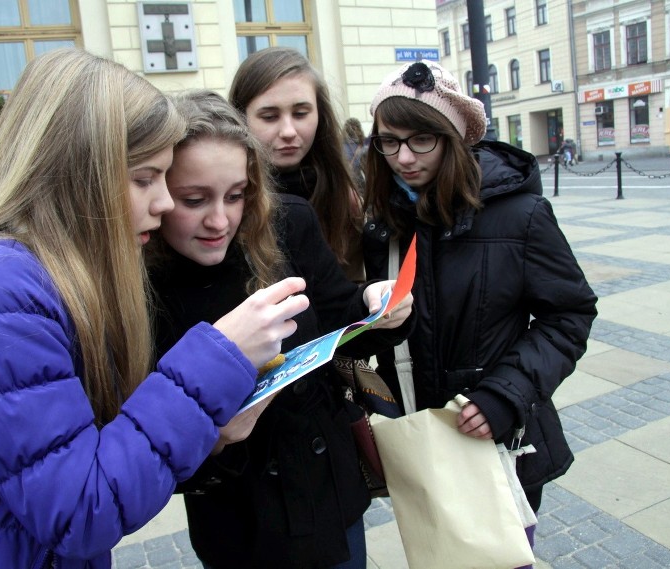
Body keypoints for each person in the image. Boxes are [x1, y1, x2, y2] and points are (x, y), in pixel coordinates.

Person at [0, 49, 310, 569]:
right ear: (79, 172)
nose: (163, 203)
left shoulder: (25, 277)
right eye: (145, 178)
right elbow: (81, 510)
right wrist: (217, 361)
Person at [146, 90, 414, 569]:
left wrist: (380, 306)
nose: (219, 220)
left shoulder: (288, 221)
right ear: (158, 193)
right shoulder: (140, 280)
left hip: (326, 494)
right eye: (193, 199)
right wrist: (213, 433)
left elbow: (343, 322)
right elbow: (140, 447)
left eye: (236, 195)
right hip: (241, 523)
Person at [361, 60, 598, 563]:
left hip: (498, 437)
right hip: (418, 443)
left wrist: (505, 394)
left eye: (420, 139)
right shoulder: (381, 223)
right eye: (388, 140)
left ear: (452, 137)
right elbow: (371, 342)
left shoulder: (520, 214)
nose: (403, 157)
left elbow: (569, 316)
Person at [229, 47, 365, 282]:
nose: (288, 131)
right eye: (269, 117)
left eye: (301, 113)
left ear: (320, 115)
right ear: (240, 118)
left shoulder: (343, 200)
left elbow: (349, 292)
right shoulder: (226, 203)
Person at [343, 117, 368, 193]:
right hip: (354, 178)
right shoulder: (363, 144)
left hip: (349, 179)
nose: (353, 130)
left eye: (354, 127)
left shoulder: (340, 144)